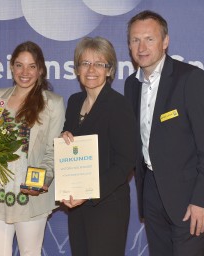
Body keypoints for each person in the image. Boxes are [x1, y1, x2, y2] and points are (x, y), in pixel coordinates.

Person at [124, 10, 204, 256]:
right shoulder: (131, 84)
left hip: (189, 198)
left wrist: (202, 200)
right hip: (151, 195)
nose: (142, 47)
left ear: (165, 41)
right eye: (135, 40)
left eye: (149, 38)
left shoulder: (191, 79)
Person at [0, 41, 65, 256]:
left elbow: (53, 150)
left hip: (31, 195)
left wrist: (40, 182)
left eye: (32, 66)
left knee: (30, 252)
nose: (24, 72)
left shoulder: (53, 103)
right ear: (11, 67)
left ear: (41, 70)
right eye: (19, 65)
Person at [61, 36, 136, 256]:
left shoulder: (118, 105)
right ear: (77, 69)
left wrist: (91, 192)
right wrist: (64, 135)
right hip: (77, 205)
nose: (91, 69)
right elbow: (71, 140)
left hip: (107, 205)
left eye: (99, 63)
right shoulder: (74, 102)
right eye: (85, 63)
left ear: (109, 70)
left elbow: (126, 162)